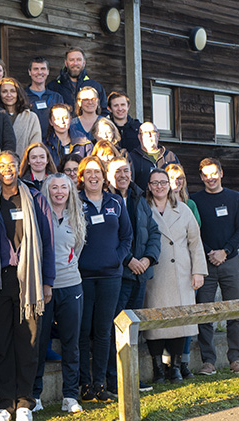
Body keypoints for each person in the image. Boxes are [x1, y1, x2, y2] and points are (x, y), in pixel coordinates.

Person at [0, 150, 55, 421]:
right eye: (1, 165)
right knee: (2, 344)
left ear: (19, 167)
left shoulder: (36, 199)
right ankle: (5, 403)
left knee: (28, 342)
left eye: (11, 164)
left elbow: (48, 243)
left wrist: (47, 282)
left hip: (29, 281)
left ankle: (24, 404)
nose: (7, 169)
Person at [75, 155, 132, 403]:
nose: (93, 176)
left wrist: (116, 259)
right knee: (83, 330)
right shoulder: (75, 203)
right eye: (88, 172)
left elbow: (127, 237)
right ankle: (84, 384)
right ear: (82, 177)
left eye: (97, 171)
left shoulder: (116, 202)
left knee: (103, 330)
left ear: (103, 175)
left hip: (110, 276)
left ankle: (99, 383)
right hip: (83, 276)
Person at [145, 168, 207, 383]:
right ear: (149, 186)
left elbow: (195, 242)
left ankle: (176, 367)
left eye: (163, 182)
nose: (159, 186)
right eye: (155, 183)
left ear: (169, 185)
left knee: (180, 321)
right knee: (154, 322)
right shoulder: (143, 208)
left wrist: (198, 271)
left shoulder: (183, 209)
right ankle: (158, 368)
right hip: (154, 272)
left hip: (180, 271)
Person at [104, 156, 160, 393]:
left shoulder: (139, 198)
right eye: (117, 172)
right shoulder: (107, 199)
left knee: (132, 329)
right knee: (113, 329)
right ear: (109, 176)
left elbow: (154, 232)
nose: (122, 176)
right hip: (119, 275)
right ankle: (114, 379)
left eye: (125, 171)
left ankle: (131, 376)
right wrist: (129, 261)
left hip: (140, 275)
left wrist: (147, 259)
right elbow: (109, 239)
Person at [32, 173, 87, 414]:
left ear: (70, 191)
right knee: (39, 342)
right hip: (43, 288)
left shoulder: (77, 217)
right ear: (47, 190)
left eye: (64, 187)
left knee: (70, 343)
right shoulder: (38, 215)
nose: (59, 191)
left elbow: (78, 249)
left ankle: (70, 396)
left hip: (71, 285)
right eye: (54, 187)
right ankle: (35, 396)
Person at [192, 158, 239, 376]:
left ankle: (235, 358)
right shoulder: (195, 200)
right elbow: (195, 231)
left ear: (221, 173)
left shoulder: (235, 198)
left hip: (231, 261)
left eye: (214, 173)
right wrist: (210, 253)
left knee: (235, 311)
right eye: (206, 174)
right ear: (201, 177)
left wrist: (225, 251)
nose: (210, 178)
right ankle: (208, 361)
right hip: (205, 264)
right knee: (205, 312)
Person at [0, 77, 41, 158]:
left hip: (24, 165)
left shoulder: (31, 117)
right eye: (4, 91)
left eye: (13, 91)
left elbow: (35, 146)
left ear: (18, 93)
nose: (9, 95)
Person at [129, 122, 180, 191]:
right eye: (146, 133)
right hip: (142, 200)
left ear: (158, 135)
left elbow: (180, 179)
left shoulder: (169, 156)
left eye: (152, 132)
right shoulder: (132, 157)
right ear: (139, 137)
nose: (150, 135)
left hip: (167, 200)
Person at [26, 57, 64, 137]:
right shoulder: (23, 96)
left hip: (53, 143)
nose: (39, 72)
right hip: (30, 143)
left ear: (48, 72)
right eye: (36, 69)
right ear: (29, 72)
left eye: (43, 69)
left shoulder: (56, 97)